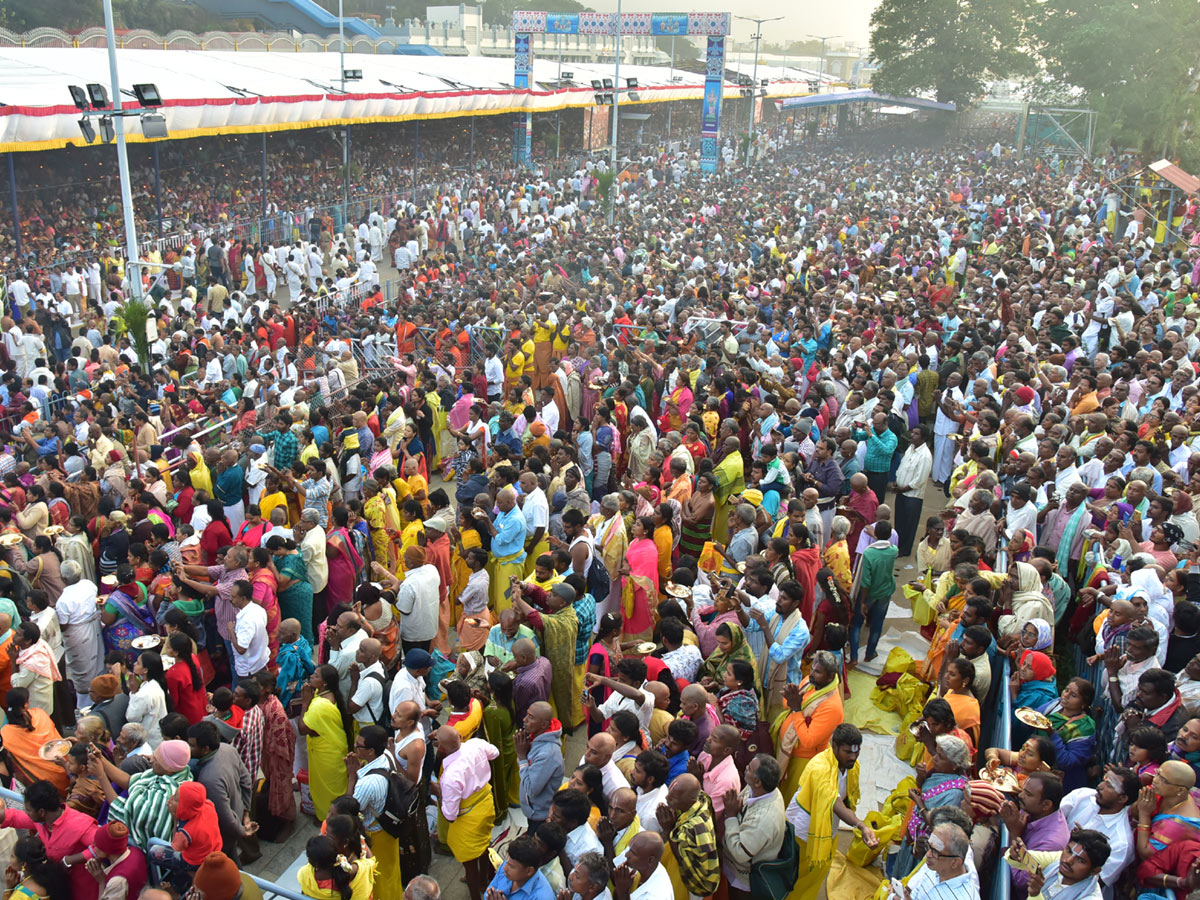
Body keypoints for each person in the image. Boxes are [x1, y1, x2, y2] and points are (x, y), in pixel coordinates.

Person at [785, 723, 878, 900]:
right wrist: (860, 825)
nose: (853, 757)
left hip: (827, 828)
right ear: (833, 746)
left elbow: (846, 799)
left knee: (817, 875)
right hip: (803, 833)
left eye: (856, 752)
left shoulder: (851, 767)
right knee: (797, 879)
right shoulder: (820, 768)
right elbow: (836, 804)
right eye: (847, 752)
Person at [431, 726, 498, 900]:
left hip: (469, 817)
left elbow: (450, 815)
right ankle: (483, 880)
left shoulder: (450, 776)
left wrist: (438, 794)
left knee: (469, 861)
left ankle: (475, 893)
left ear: (442, 748)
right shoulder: (475, 744)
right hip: (485, 804)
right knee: (484, 845)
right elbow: (495, 753)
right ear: (460, 736)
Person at [187, 721, 255, 865]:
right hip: (238, 816)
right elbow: (246, 781)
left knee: (226, 866)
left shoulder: (209, 779)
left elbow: (225, 817)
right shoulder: (227, 749)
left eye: (192, 745)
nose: (189, 749)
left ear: (205, 749)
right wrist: (246, 813)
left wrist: (242, 832)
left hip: (225, 833)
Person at [346, 725, 402, 900]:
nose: (355, 748)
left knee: (377, 876)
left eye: (359, 746)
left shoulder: (366, 784)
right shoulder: (387, 756)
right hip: (390, 830)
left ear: (371, 751)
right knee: (390, 870)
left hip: (375, 835)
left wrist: (351, 777)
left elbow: (348, 810)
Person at [299, 664, 354, 820]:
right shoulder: (324, 695)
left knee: (327, 790)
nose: (311, 677)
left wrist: (305, 704)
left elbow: (303, 728)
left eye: (316, 676)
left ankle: (328, 818)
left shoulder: (319, 706)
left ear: (324, 683)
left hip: (326, 755)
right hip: (331, 748)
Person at [1, 687, 70, 792]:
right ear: (26, 704)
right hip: (65, 771)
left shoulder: (5, 733)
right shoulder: (40, 714)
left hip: (40, 784)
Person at [518, 700, 564, 833]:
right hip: (533, 809)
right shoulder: (535, 738)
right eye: (527, 715)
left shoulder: (548, 754)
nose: (524, 719)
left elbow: (532, 789)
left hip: (539, 814)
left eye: (531, 717)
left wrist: (521, 756)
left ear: (543, 724)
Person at [485, 834, 555, 900]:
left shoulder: (542, 897)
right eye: (506, 862)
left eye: (512, 867)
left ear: (529, 871)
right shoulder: (508, 865)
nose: (504, 868)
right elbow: (487, 894)